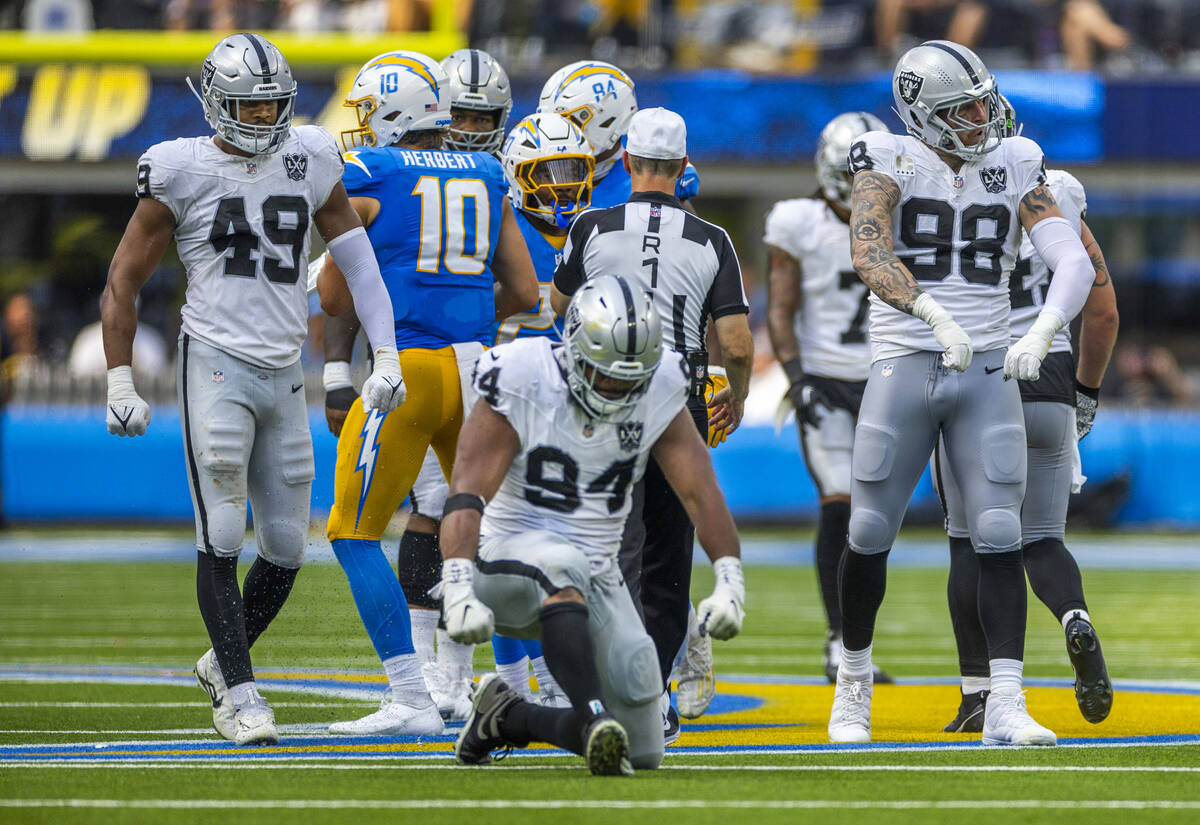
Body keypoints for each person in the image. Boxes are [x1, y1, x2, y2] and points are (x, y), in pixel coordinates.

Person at [102, 34, 406, 747]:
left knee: (286, 546)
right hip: (213, 360)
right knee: (224, 528)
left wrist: (385, 354)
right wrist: (121, 375)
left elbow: (360, 266)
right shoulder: (180, 168)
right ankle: (240, 694)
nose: (266, 112)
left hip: (281, 370)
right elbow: (123, 278)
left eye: (274, 99)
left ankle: (219, 660)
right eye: (251, 101)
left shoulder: (310, 155)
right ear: (216, 103)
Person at [829, 39, 1098, 747]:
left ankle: (1004, 700)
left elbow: (1069, 258)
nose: (983, 116)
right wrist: (932, 313)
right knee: (868, 530)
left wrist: (1041, 328)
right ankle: (852, 686)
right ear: (922, 114)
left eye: (983, 100)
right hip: (906, 360)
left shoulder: (1015, 161)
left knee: (1002, 531)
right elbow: (870, 250)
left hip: (985, 371)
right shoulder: (885, 155)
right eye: (964, 109)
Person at [437, 274, 746, 775]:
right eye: (608, 374)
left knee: (645, 748)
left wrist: (730, 579)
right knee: (561, 564)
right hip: (503, 563)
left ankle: (507, 717)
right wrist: (455, 584)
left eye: (633, 376)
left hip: (598, 574)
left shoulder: (662, 381)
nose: (621, 386)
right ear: (574, 349)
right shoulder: (521, 373)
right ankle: (593, 718)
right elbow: (467, 491)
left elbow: (700, 491)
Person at [316, 50, 538, 736]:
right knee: (484, 527)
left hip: (408, 369)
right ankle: (519, 684)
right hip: (478, 368)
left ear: (392, 110)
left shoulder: (371, 171)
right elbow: (526, 292)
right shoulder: (484, 169)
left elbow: (330, 292)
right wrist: (458, 293)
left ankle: (411, 693)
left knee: (353, 531)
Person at [550, 107, 753, 739]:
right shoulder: (713, 239)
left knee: (615, 554)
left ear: (629, 162)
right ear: (683, 167)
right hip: (678, 398)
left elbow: (555, 308)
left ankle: (618, 689)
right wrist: (737, 398)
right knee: (669, 560)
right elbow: (738, 343)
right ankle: (656, 695)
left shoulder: (591, 225)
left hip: (604, 395)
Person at [936, 99, 1119, 732]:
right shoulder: (1060, 195)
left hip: (984, 371)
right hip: (1052, 377)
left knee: (970, 541)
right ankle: (1074, 617)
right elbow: (1102, 312)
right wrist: (1086, 392)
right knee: (1043, 539)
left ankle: (978, 692)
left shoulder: (948, 187)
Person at [764, 111, 894, 686]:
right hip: (825, 379)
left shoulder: (905, 219)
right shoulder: (798, 222)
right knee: (839, 505)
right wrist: (795, 377)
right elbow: (781, 308)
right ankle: (842, 643)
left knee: (875, 520)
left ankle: (855, 642)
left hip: (889, 381)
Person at [487, 111, 598, 710]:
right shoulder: (500, 228)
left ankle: (568, 671)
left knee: (583, 547)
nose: (559, 184)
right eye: (545, 172)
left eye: (570, 171)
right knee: (511, 546)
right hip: (513, 403)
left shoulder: (597, 232)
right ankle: (519, 680)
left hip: (581, 407)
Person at [536, 60, 702, 209]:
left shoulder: (654, 183)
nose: (556, 130)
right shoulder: (531, 175)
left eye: (570, 121)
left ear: (609, 119)